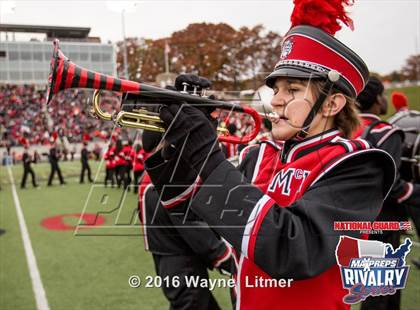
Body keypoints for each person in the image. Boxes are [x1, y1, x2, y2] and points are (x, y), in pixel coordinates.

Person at [144, 2, 396, 309]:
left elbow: (294, 248)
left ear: (332, 105)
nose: (275, 101)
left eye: (291, 89)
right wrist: (174, 147)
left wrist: (207, 154)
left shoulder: (358, 164)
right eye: (276, 89)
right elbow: (192, 212)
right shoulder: (258, 154)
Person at [139, 130, 234, 310]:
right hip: (184, 265)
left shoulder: (148, 179)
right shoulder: (165, 181)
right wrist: (225, 258)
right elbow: (193, 227)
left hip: (168, 261)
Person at [353, 77, 420, 310]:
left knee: (373, 289)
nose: (385, 101)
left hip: (350, 217)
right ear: (375, 101)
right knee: (381, 294)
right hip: (382, 221)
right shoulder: (386, 132)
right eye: (382, 95)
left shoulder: (342, 130)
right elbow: (392, 185)